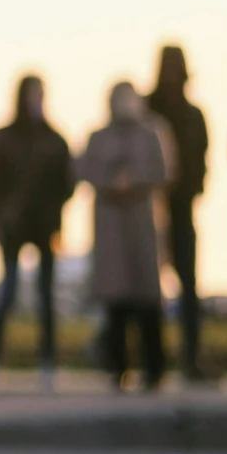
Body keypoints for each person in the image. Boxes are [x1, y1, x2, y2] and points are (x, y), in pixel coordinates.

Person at [0, 75, 74, 396]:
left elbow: (66, 183)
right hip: (12, 226)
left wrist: (57, 217)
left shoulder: (54, 139)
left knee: (46, 298)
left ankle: (48, 364)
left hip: (44, 226)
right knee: (7, 292)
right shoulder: (3, 139)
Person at [79, 82, 174, 391]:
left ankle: (154, 369)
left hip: (142, 226)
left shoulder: (151, 133)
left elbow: (165, 169)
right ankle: (117, 367)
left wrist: (135, 179)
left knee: (147, 302)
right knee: (115, 306)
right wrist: (111, 180)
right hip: (111, 231)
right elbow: (83, 169)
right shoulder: (99, 137)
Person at [147, 45, 209, 380]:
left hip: (183, 207)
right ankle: (151, 359)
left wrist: (194, 188)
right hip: (149, 211)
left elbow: (201, 156)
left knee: (188, 283)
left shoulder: (192, 114)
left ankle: (191, 358)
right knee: (147, 287)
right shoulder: (148, 109)